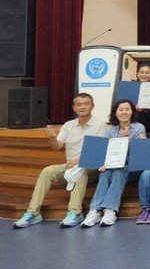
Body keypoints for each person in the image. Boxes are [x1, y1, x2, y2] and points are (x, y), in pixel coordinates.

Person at [13, 93, 106, 229]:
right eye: (79, 104)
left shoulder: (100, 124)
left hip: (90, 167)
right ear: (74, 108)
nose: (82, 107)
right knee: (47, 171)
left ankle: (75, 212)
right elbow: (56, 147)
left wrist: (77, 161)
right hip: (69, 167)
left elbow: (98, 151)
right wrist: (52, 137)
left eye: (86, 104)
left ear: (92, 106)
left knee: (80, 172)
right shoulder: (68, 125)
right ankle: (33, 213)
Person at [82, 99, 146, 228]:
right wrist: (102, 163)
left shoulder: (139, 128)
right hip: (113, 167)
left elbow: (138, 153)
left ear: (132, 112)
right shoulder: (110, 130)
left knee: (118, 171)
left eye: (127, 109)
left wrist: (126, 138)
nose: (124, 112)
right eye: (121, 110)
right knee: (105, 173)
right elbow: (105, 150)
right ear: (115, 113)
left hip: (132, 167)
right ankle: (94, 211)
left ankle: (110, 210)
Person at [134, 61, 150, 132]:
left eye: (147, 73)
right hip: (136, 116)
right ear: (137, 74)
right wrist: (133, 107)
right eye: (141, 72)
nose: (144, 75)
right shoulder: (131, 87)